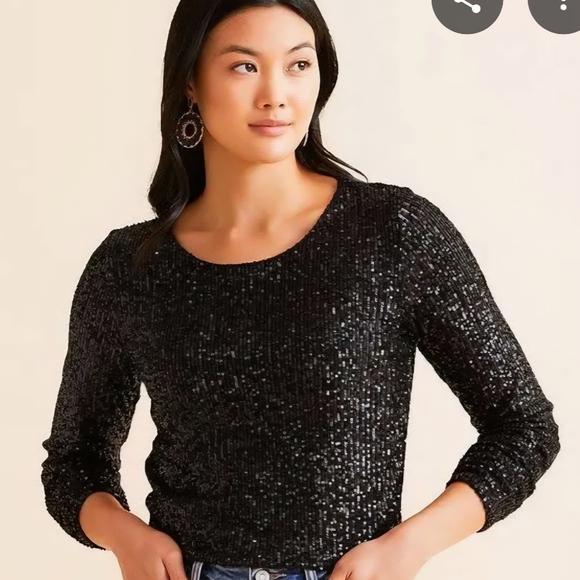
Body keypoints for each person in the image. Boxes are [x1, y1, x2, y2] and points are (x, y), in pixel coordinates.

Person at [40, 2, 561, 580]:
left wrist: (407, 547)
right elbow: (73, 462)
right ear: (190, 82)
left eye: (298, 65)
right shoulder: (129, 265)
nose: (275, 95)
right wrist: (125, 536)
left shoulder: (391, 233)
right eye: (244, 66)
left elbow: (523, 427)